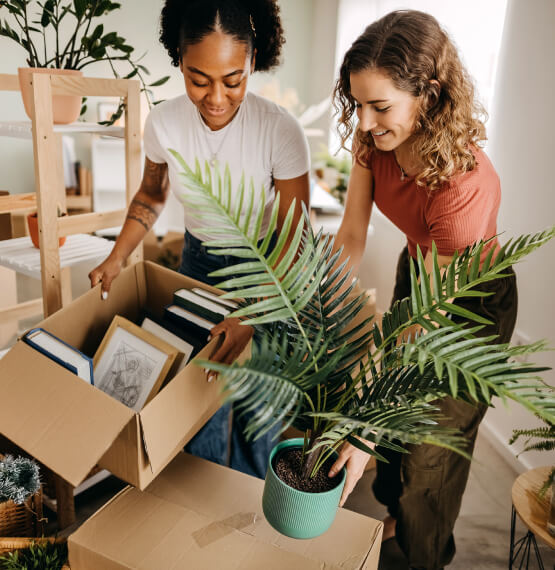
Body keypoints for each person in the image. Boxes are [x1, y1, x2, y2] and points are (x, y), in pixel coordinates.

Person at [327, 10, 517, 570]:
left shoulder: (463, 186)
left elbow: (421, 327)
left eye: (379, 106)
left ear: (429, 95)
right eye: (357, 104)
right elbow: (352, 235)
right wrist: (318, 300)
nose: (363, 122)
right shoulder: (374, 142)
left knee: (430, 446)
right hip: (422, 270)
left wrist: (357, 433)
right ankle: (396, 517)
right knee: (394, 436)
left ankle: (423, 551)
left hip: (471, 303)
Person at [89, 0, 310, 479]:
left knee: (258, 411)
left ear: (253, 60)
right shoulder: (165, 123)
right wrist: (116, 256)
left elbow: (295, 239)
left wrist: (252, 312)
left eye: (233, 79)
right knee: (197, 402)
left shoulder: (280, 131)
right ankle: (200, 512)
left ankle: (251, 513)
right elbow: (151, 193)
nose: (215, 97)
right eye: (198, 79)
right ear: (179, 60)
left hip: (269, 275)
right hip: (199, 266)